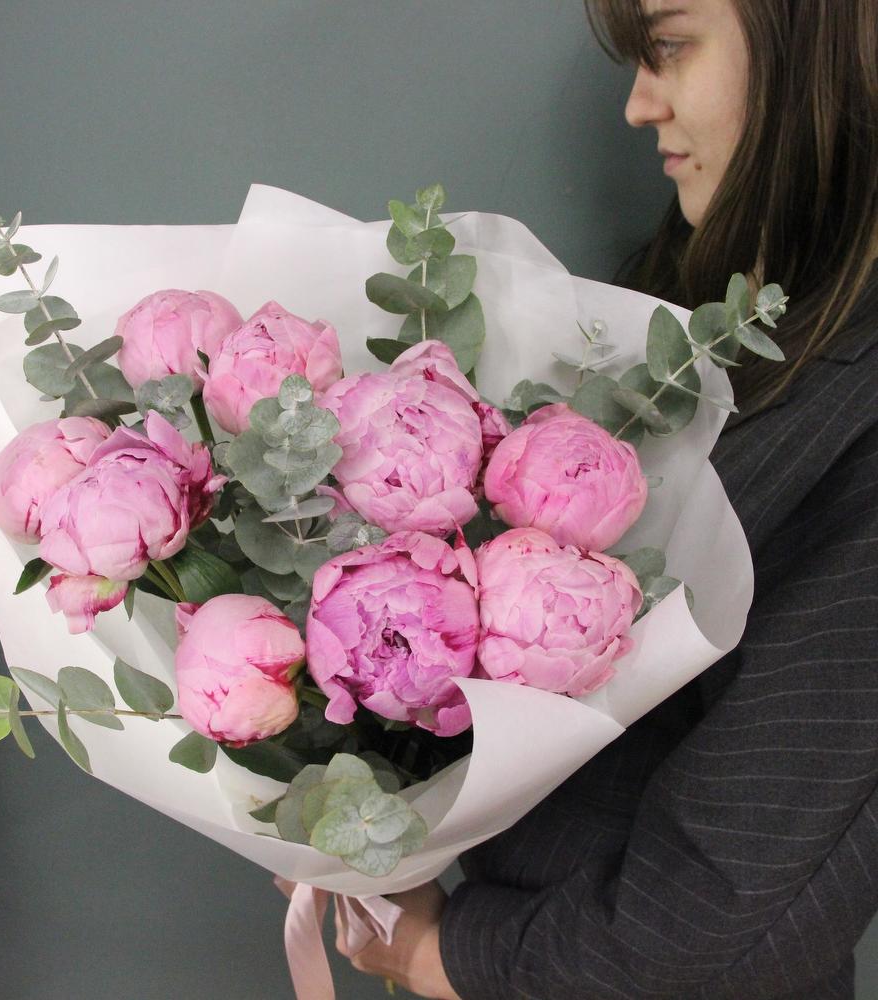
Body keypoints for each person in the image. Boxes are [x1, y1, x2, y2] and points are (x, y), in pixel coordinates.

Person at [333, 0, 878, 996]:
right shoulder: (693, 319)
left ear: (814, 41)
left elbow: (736, 908)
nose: (637, 105)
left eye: (668, 45)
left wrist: (441, 953)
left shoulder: (860, 414)